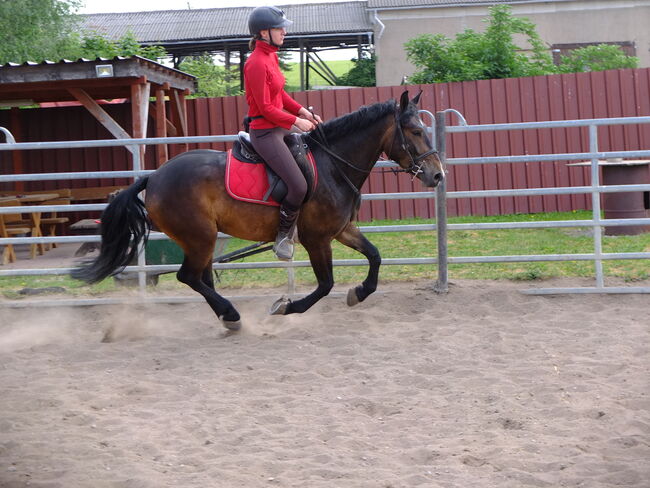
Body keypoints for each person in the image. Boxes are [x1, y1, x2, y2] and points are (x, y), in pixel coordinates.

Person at [244, 5, 322, 261]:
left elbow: (280, 96)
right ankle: (282, 238)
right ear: (263, 32)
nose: (284, 32)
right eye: (280, 28)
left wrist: (303, 112)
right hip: (265, 134)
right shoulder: (255, 63)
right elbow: (266, 107)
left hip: (280, 129)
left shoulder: (271, 57)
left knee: (312, 172)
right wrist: (296, 123)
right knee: (298, 186)